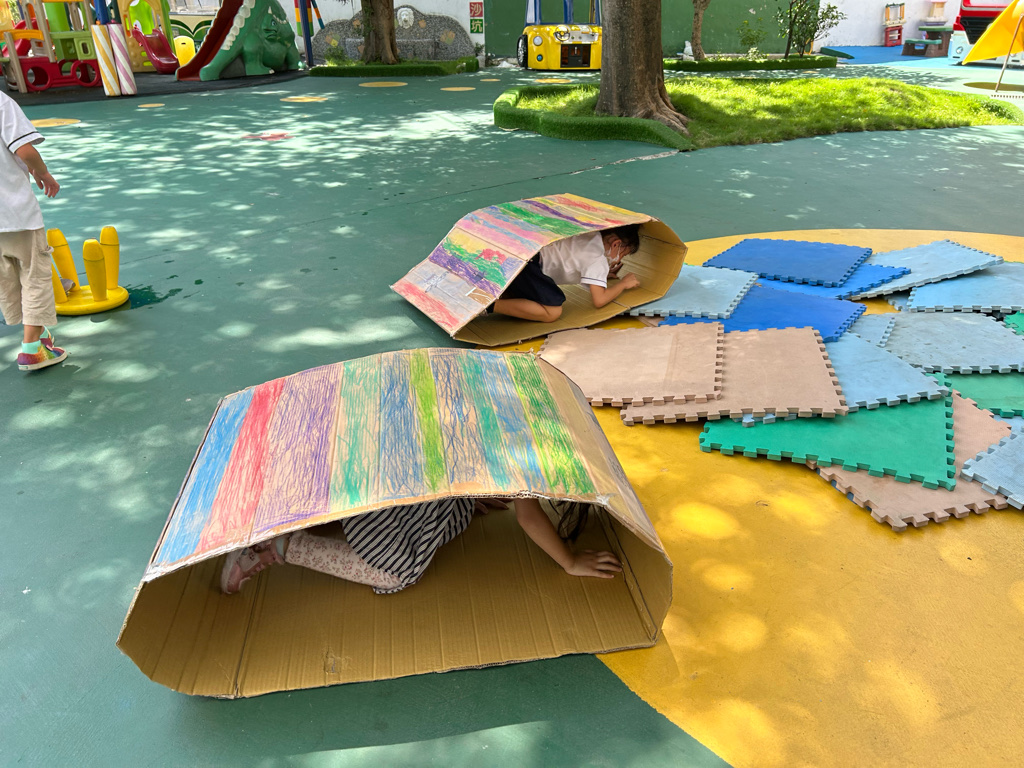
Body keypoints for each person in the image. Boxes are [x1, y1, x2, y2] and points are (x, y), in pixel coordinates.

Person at [220, 497, 622, 595]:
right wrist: (569, 561)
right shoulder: (532, 448)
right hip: (390, 488)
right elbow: (529, 516)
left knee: (458, 516)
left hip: (369, 468)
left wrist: (472, 493)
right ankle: (281, 546)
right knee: (396, 571)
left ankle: (285, 518)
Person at [0, 92, 65, 372]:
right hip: (14, 213)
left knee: (6, 277)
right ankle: (32, 348)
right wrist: (43, 172)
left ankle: (33, 333)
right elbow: (24, 149)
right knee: (34, 274)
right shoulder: (2, 103)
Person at [491, 224, 642, 323]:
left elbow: (579, 261)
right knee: (552, 312)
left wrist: (602, 277)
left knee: (527, 297)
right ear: (616, 244)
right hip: (528, 266)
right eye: (623, 254)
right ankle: (490, 306)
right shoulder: (598, 260)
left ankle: (501, 296)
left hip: (521, 253)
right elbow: (599, 300)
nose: (619, 260)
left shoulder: (591, 234)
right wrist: (623, 284)